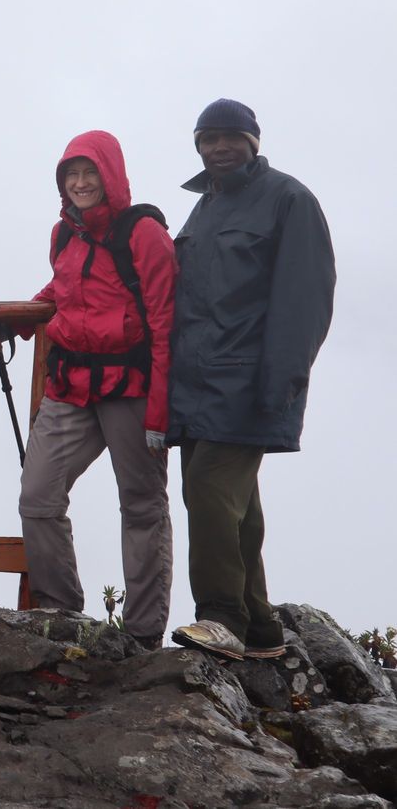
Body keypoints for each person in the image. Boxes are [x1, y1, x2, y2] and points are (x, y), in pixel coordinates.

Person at [0, 131, 177, 650]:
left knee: (142, 506)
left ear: (111, 175)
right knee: (37, 497)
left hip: (131, 388)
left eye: (90, 172)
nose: (81, 182)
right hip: (70, 385)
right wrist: (17, 320)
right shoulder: (63, 233)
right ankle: (60, 614)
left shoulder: (145, 234)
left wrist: (160, 413)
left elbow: (166, 324)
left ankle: (142, 636)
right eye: (71, 174)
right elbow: (63, 290)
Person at [167, 99, 336, 660]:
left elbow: (306, 298)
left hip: (248, 382)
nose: (219, 148)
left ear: (253, 142)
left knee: (209, 490)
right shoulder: (204, 207)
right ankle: (261, 630)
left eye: (231, 138)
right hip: (195, 387)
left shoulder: (289, 199)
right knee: (233, 507)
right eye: (208, 139)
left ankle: (221, 618)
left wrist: (283, 380)